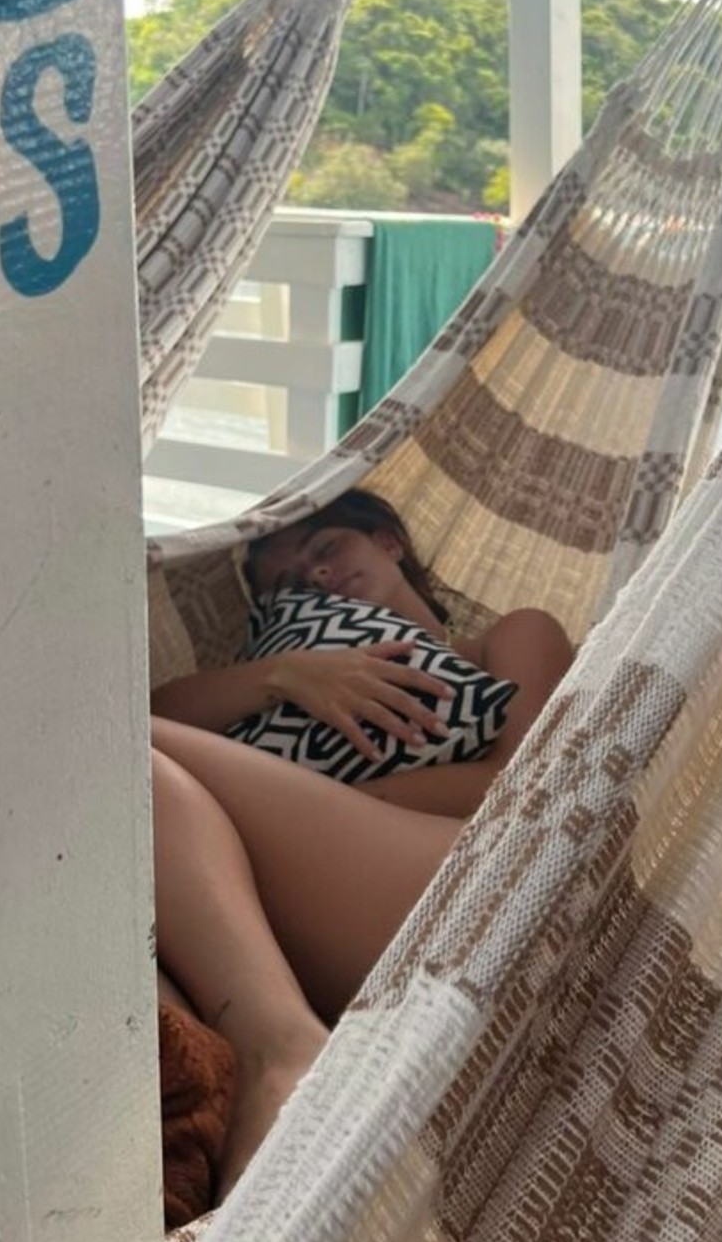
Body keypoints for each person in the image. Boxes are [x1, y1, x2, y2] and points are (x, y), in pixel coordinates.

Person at [150, 490, 572, 1200]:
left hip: (466, 888)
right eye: (289, 584)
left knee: (119, 752)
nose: (315, 575)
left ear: (389, 542)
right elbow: (143, 710)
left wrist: (306, 798)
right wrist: (287, 675)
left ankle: (280, 1053)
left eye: (326, 549)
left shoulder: (509, 635)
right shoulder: (285, 699)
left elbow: (529, 784)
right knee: (125, 838)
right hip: (315, 940)